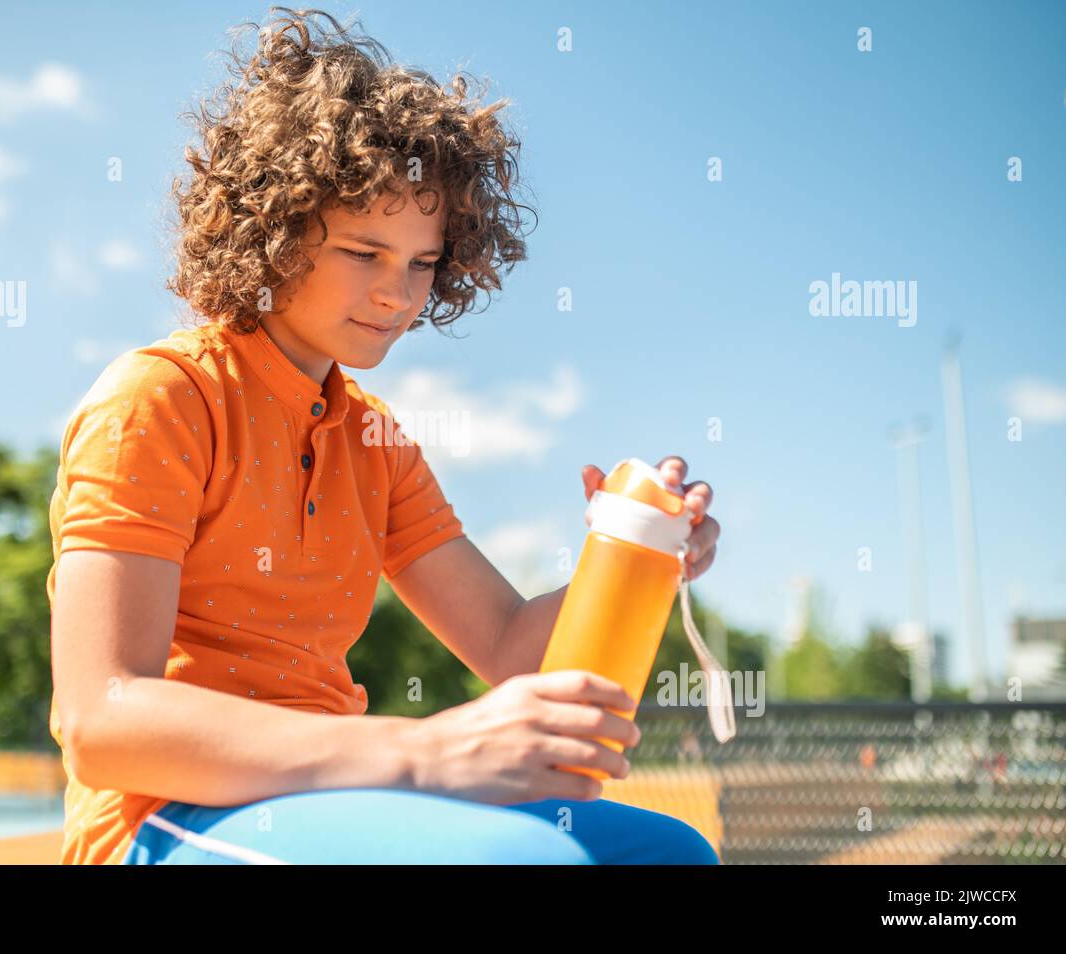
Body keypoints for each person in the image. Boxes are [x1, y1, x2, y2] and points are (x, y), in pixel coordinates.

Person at [46, 6, 722, 865]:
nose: (398, 294)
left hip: (333, 797)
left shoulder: (377, 440)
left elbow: (513, 648)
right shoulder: (161, 397)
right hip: (159, 819)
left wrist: (639, 556)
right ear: (277, 230)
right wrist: (430, 751)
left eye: (423, 261)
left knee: (665, 854)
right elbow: (102, 719)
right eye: (365, 253)